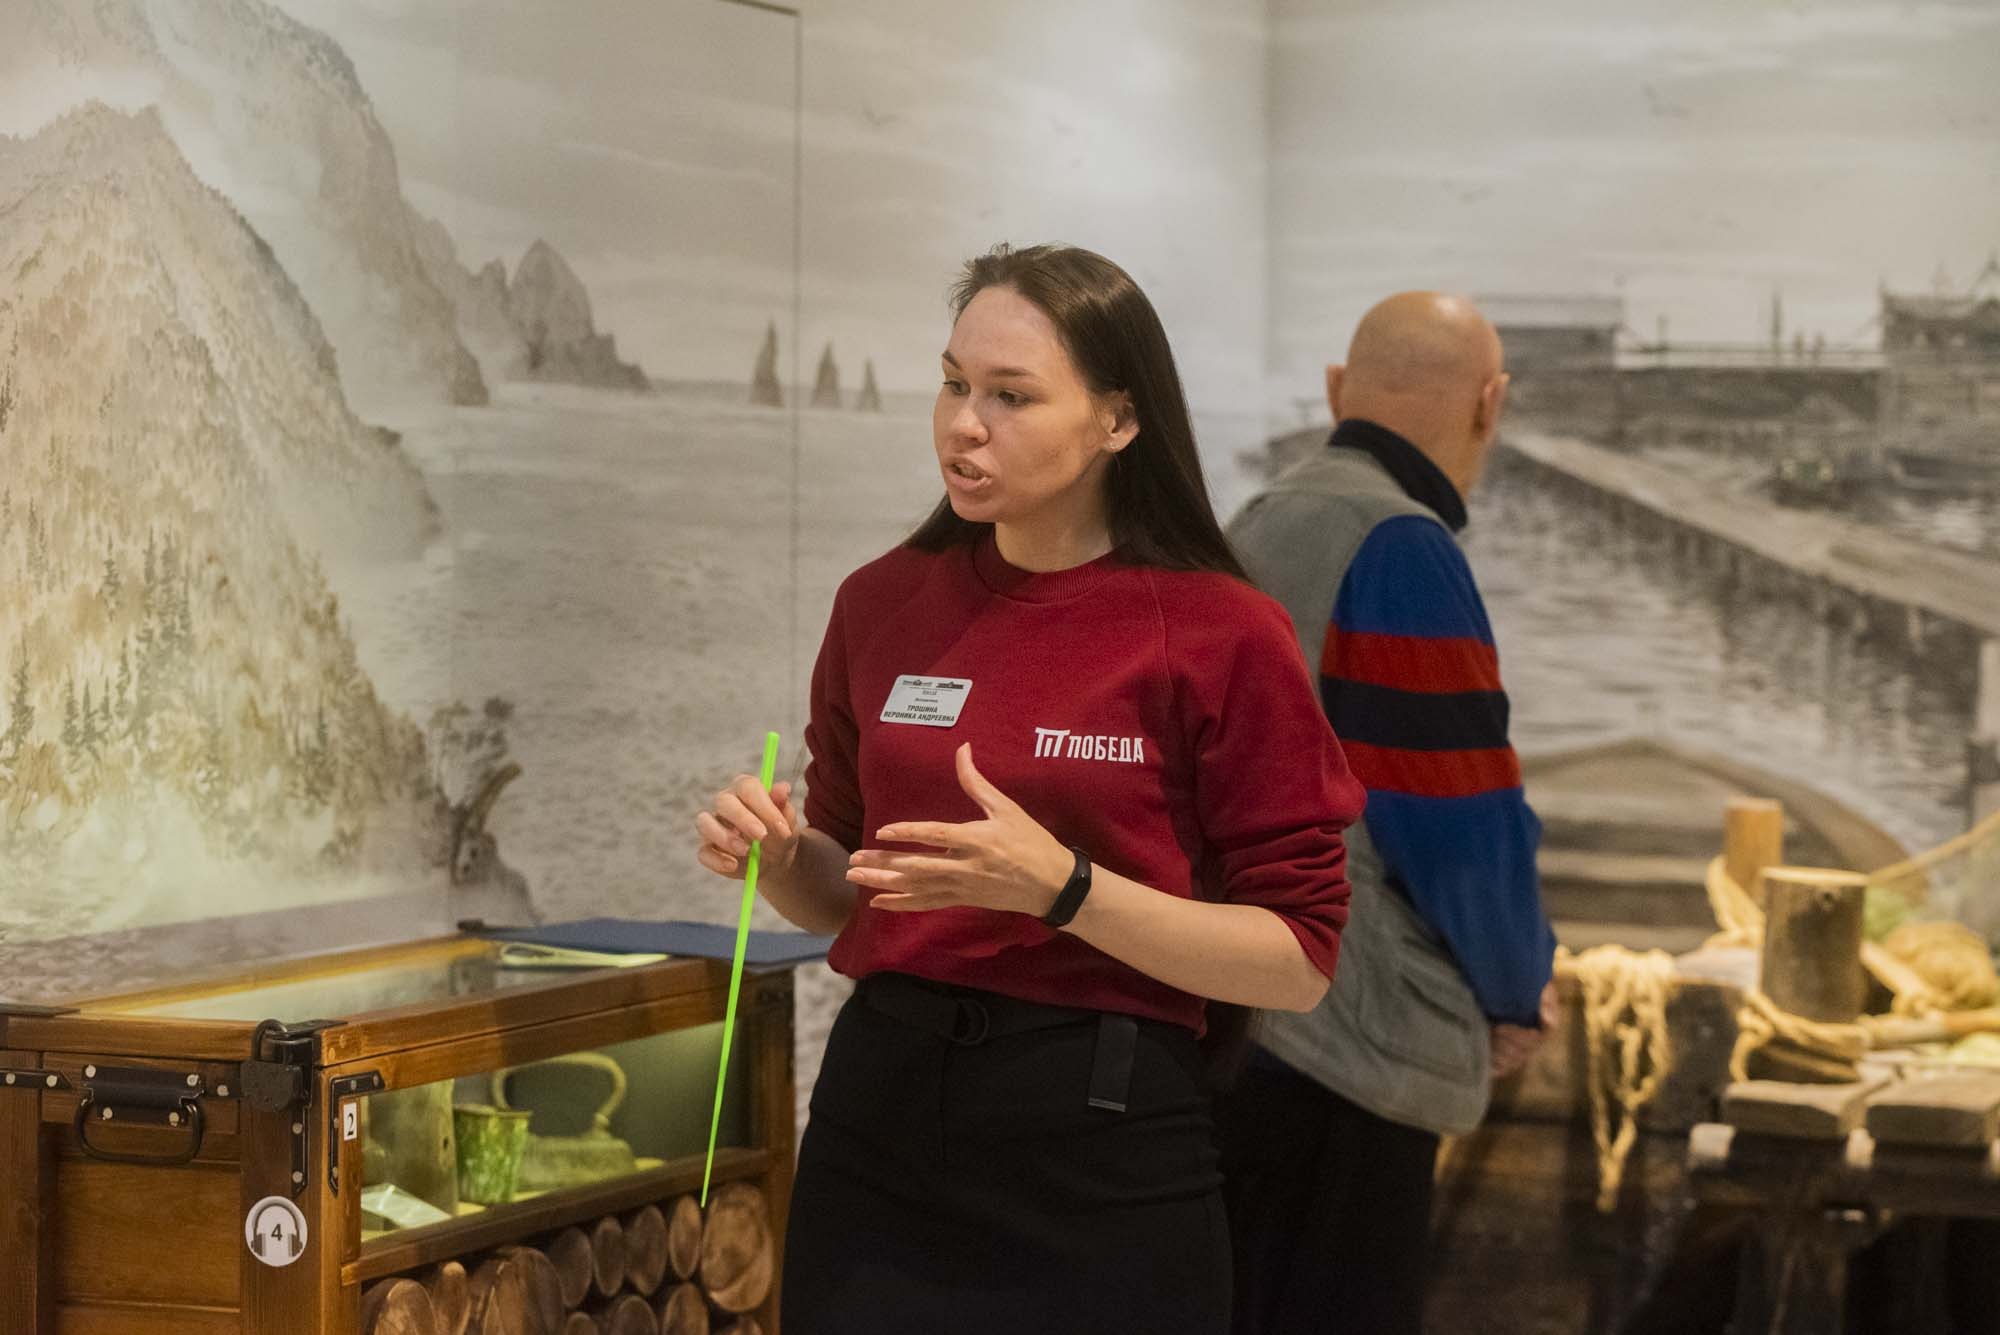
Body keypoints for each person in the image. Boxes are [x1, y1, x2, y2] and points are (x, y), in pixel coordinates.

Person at [693, 243, 1364, 1334]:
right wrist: (779, 857)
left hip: (1104, 1140)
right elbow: (842, 888)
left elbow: (1298, 962)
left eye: (1011, 396)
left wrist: (1063, 889)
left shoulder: (1222, 631)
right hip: (880, 1118)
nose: (964, 424)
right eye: (953, 383)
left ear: (1117, 420)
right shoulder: (881, 601)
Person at [1216, 292, 1561, 1335]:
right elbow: (1457, 822)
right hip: (1346, 1049)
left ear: (1336, 392)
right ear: (1490, 404)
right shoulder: (1402, 546)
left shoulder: (1259, 519)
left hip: (1236, 1023)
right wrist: (1515, 987)